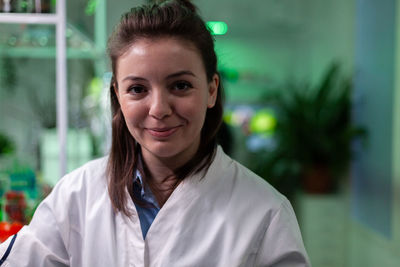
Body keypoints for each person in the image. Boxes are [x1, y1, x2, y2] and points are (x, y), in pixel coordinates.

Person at [0, 0, 310, 266]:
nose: (159, 108)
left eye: (180, 85)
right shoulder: (76, 196)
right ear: (117, 96)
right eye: (137, 89)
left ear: (212, 89)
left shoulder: (265, 213)